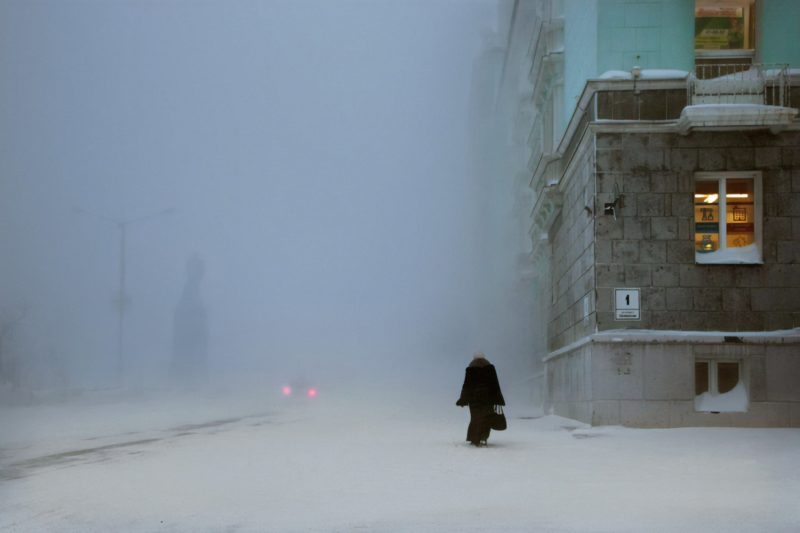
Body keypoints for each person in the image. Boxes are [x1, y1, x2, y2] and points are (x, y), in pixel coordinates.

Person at [456, 352, 505, 446]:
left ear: (474, 358)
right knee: (487, 418)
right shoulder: (490, 368)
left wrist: (463, 399)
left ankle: (474, 439)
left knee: (475, 418)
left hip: (474, 399)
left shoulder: (470, 369)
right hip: (489, 398)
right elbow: (495, 384)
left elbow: (466, 386)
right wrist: (498, 399)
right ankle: (483, 438)